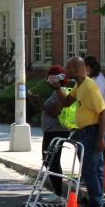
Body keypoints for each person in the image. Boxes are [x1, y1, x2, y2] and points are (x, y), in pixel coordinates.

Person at [49, 56, 105, 207]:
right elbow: (67, 102)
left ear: (75, 69)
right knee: (95, 169)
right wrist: (57, 88)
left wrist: (100, 138)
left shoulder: (89, 86)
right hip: (85, 131)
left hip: (93, 131)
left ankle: (96, 206)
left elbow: (103, 111)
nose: (66, 72)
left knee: (89, 169)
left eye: (68, 68)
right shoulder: (78, 85)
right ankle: (97, 202)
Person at [40, 65, 72, 198]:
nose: (48, 81)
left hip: (55, 131)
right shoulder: (57, 92)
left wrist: (42, 106)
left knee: (51, 160)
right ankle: (57, 191)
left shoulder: (61, 91)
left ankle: (58, 192)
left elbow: (56, 111)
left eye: (50, 78)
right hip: (52, 131)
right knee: (49, 159)